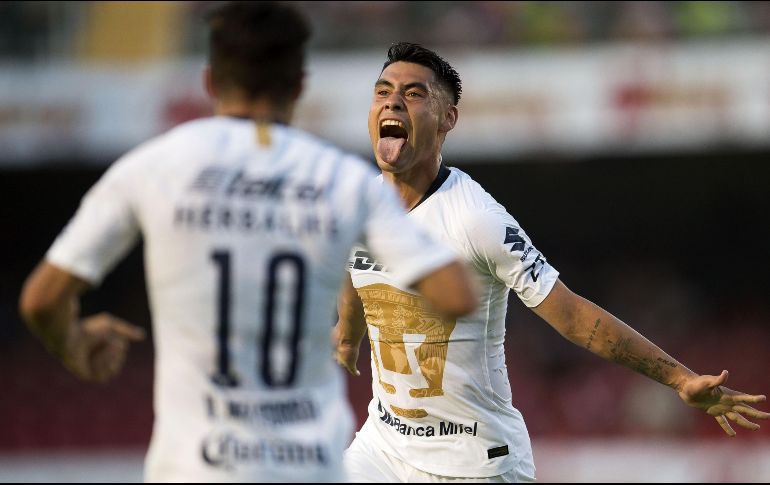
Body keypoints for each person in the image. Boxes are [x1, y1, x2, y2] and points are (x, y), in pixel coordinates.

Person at [18, 7, 479, 482]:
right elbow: (455, 294)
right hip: (306, 467)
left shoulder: (153, 167)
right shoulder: (344, 181)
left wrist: (72, 344)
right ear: (299, 84)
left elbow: (41, 300)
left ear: (210, 81)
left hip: (194, 467)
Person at [334, 42, 770, 483]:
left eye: (414, 94)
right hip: (383, 449)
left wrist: (680, 379)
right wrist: (348, 335)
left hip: (472, 462)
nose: (392, 101)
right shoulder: (361, 201)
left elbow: (573, 317)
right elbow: (359, 265)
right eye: (383, 91)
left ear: (448, 119)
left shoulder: (475, 219)